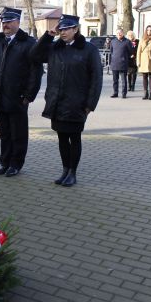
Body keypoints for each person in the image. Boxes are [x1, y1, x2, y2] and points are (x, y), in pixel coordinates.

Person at [30, 15, 102, 186]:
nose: (62, 32)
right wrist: (48, 36)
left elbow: (96, 78)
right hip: (57, 101)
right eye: (60, 29)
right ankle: (64, 170)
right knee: (62, 138)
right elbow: (34, 55)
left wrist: (90, 104)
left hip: (77, 103)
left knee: (74, 138)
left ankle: (73, 172)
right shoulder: (55, 48)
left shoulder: (88, 49)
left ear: (75, 29)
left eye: (66, 29)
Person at [0, 7, 43, 178]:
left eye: (10, 22)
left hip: (18, 96)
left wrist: (29, 95)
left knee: (18, 133)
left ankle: (16, 164)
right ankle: (5, 162)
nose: (6, 25)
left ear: (18, 22)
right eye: (4, 22)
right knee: (4, 132)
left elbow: (36, 71)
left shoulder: (28, 43)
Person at [137, 25, 151, 100]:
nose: (149, 31)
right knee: (144, 76)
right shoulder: (142, 39)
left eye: (150, 30)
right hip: (143, 60)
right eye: (148, 30)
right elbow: (139, 51)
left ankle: (150, 93)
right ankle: (145, 93)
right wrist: (138, 61)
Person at [109, 28, 133, 98]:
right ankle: (115, 93)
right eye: (117, 33)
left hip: (123, 64)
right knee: (115, 80)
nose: (119, 34)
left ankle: (124, 94)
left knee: (123, 80)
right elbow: (111, 52)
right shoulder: (113, 41)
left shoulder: (127, 42)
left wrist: (125, 58)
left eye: (120, 33)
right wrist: (111, 62)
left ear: (123, 33)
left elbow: (130, 52)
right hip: (114, 63)